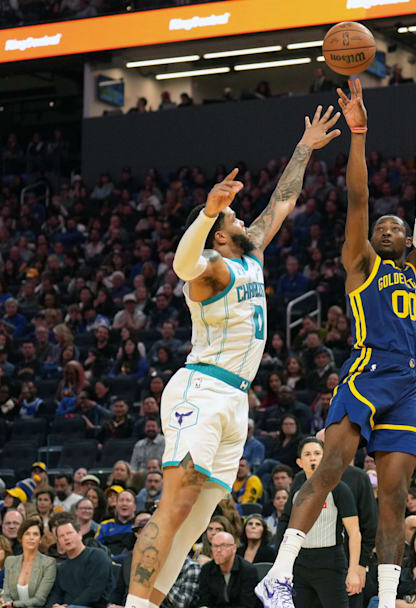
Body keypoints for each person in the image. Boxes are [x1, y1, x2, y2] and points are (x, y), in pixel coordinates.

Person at [127, 106, 341, 608]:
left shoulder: (250, 255)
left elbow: (283, 201)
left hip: (235, 399)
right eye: (233, 218)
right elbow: (182, 264)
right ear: (219, 235)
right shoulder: (212, 270)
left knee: (201, 515)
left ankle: (151, 602)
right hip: (201, 389)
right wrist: (206, 212)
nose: (244, 218)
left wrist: (304, 147)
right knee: (175, 504)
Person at [257, 88, 416, 608]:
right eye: (382, 226)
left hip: (407, 384)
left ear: (406, 242)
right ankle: (281, 573)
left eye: (395, 228)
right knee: (331, 470)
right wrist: (358, 135)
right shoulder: (362, 265)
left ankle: (385, 598)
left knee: (396, 496)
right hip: (367, 370)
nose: (387, 228)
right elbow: (358, 198)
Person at [272, 437, 362, 608]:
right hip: (300, 563)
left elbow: (355, 533)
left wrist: (353, 570)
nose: (312, 458)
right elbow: (287, 524)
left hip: (330, 563)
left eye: (317, 453)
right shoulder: (297, 491)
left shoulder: (339, 489)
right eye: (307, 454)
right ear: (299, 462)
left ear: (325, 457)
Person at [48, 514, 112, 608]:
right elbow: (56, 594)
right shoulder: (61, 568)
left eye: (69, 533)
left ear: (80, 534)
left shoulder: (98, 556)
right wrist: (54, 606)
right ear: (59, 542)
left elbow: (94, 591)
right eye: (61, 536)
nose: (66, 538)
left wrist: (70, 607)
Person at [2, 518, 57, 608]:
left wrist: (14, 604)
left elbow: (40, 600)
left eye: (35, 534)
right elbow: (6, 595)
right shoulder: (10, 561)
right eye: (27, 534)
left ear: (40, 539)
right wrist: (7, 604)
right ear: (21, 538)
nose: (31, 537)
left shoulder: (48, 563)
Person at [196, 531, 259, 608]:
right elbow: (204, 600)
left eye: (223, 546)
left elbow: (247, 604)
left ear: (234, 548)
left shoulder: (248, 570)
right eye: (215, 546)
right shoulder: (206, 569)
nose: (218, 550)